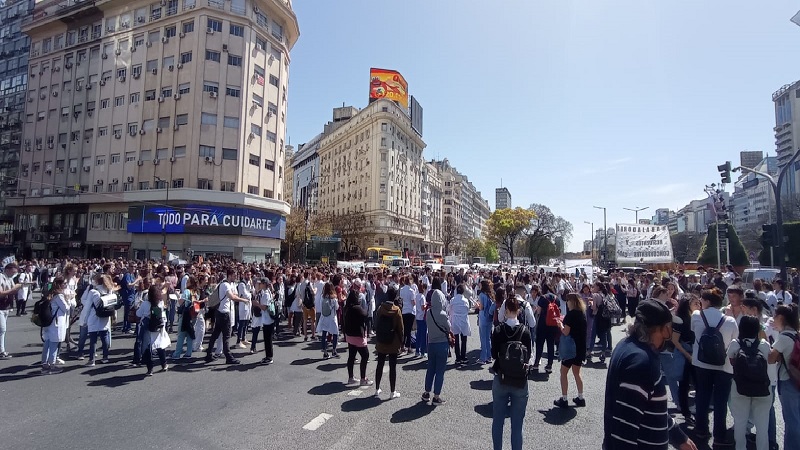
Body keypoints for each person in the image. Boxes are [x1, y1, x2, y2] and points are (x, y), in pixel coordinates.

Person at [603, 299, 696, 450]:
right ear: (664, 329)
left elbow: (646, 404)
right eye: (671, 327)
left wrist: (677, 435)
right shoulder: (642, 362)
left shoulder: (627, 346)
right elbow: (624, 428)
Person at [691, 288, 738, 446]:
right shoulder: (730, 321)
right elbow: (734, 341)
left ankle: (701, 430)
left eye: (702, 300)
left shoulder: (697, 316)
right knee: (720, 401)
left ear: (708, 301)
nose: (700, 303)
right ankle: (720, 435)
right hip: (723, 365)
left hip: (701, 363)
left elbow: (694, 333)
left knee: (702, 397)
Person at [491, 295, 532, 450]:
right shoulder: (525, 331)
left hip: (501, 377)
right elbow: (529, 355)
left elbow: (494, 354)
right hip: (520, 380)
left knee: (498, 422)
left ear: (506, 310)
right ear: (518, 311)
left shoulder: (498, 330)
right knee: (517, 425)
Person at [728, 315, 772, 450]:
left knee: (740, 423)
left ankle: (740, 447)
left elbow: (731, 361)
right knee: (762, 426)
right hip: (762, 388)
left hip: (740, 387)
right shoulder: (764, 345)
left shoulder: (735, 344)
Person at [768, 303, 800, 450]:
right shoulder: (796, 334)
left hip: (788, 382)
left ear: (781, 317)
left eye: (775, 316)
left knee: (791, 420)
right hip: (797, 380)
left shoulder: (784, 338)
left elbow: (771, 358)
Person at [205, 268, 248, 365]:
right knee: (226, 336)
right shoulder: (226, 285)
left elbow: (233, 294)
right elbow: (232, 297)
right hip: (224, 313)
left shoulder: (223, 284)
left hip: (220, 312)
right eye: (234, 276)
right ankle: (228, 357)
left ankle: (208, 354)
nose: (235, 277)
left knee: (216, 334)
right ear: (229, 275)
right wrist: (243, 300)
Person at [554, 293, 587, 407]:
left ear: (572, 302)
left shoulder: (571, 315)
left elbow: (566, 331)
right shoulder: (582, 314)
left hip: (570, 348)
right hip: (580, 347)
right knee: (577, 373)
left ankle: (564, 398)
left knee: (563, 372)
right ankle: (581, 397)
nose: (567, 303)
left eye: (568, 301)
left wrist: (559, 324)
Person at [423, 277, 450, 405]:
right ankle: (436, 396)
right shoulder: (443, 314)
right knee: (440, 371)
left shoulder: (428, 312)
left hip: (431, 343)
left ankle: (426, 392)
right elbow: (448, 327)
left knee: (430, 369)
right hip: (442, 344)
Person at [373, 286, 403, 399]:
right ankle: (392, 391)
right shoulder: (396, 310)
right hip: (393, 341)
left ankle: (377, 388)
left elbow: (376, 323)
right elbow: (400, 328)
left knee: (379, 364)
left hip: (381, 340)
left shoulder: (381, 308)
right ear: (395, 296)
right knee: (392, 366)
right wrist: (401, 342)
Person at [85, 274, 115, 366]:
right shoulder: (109, 291)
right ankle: (105, 357)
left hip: (94, 316)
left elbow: (87, 306)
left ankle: (92, 359)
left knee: (93, 339)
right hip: (105, 317)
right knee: (104, 337)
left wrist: (84, 319)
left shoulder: (94, 292)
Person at [139, 286, 170, 375]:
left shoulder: (145, 304)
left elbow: (138, 313)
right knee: (160, 346)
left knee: (148, 348)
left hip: (148, 328)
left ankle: (150, 369)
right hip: (157, 327)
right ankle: (164, 364)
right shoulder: (160, 303)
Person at [343, 289, 372, 386]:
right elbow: (365, 314)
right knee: (365, 355)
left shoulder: (347, 307)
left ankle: (351, 377)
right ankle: (363, 379)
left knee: (351, 356)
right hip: (357, 335)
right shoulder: (356, 308)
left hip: (349, 335)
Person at [41, 277, 68, 375]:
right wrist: (68, 299)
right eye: (64, 283)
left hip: (48, 322)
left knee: (47, 343)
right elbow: (66, 308)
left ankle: (44, 363)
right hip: (56, 322)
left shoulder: (50, 293)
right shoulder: (59, 296)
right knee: (54, 344)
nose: (65, 285)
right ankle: (51, 365)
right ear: (60, 285)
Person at [0, 262, 22, 360]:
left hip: (6, 307)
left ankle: (2, 349)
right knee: (2, 329)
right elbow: (1, 293)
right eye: (12, 273)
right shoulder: (1, 277)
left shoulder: (9, 279)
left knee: (2, 330)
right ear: (7, 270)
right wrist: (13, 290)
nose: (13, 275)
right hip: (0, 306)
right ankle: (1, 351)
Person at [251, 278, 276, 365]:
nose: (259, 284)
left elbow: (264, 307)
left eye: (261, 283)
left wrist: (257, 304)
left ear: (264, 284)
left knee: (268, 339)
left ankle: (269, 357)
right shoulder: (267, 291)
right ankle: (268, 356)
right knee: (267, 339)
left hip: (267, 319)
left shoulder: (265, 294)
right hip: (268, 318)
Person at [172, 276, 198, 359]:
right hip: (193, 314)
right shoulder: (195, 292)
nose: (186, 283)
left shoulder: (187, 291)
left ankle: (177, 353)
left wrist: (177, 295)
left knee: (181, 334)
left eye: (188, 282)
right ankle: (188, 352)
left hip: (185, 314)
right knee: (189, 333)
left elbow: (180, 302)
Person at [448, 284, 472, 366]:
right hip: (464, 321)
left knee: (456, 340)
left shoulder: (453, 300)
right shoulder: (465, 301)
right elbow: (467, 309)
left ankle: (458, 358)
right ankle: (463, 356)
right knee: (464, 340)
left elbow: (449, 309)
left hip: (455, 320)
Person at [317, 282, 340, 360]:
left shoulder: (322, 297)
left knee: (324, 334)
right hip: (332, 317)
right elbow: (337, 308)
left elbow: (320, 306)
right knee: (335, 333)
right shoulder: (334, 298)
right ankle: (334, 350)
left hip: (324, 317)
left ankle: (325, 352)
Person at [477, 279, 496, 364]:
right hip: (489, 317)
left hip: (483, 317)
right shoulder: (490, 294)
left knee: (483, 338)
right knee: (488, 338)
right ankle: (489, 356)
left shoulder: (481, 295)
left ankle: (483, 357)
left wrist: (477, 305)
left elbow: (481, 307)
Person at [414, 281, 428, 358]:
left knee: (418, 334)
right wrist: (427, 305)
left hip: (418, 316)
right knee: (424, 334)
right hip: (422, 317)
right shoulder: (422, 297)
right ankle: (423, 351)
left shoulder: (416, 296)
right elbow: (423, 308)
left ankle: (417, 351)